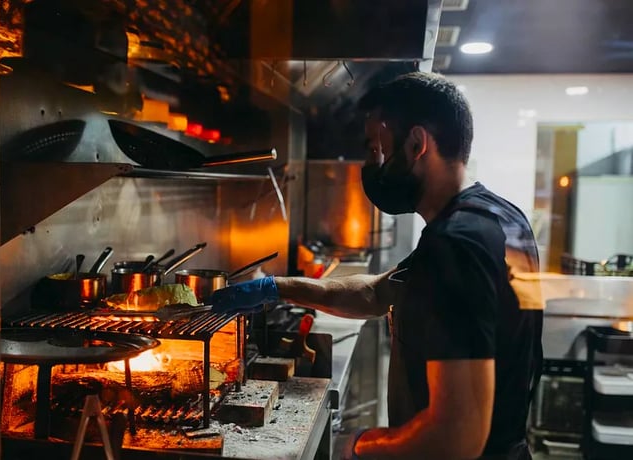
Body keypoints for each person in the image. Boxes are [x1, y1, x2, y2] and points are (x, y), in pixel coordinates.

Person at [211, 72, 543, 460]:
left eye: (374, 149)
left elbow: (456, 437)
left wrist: (356, 446)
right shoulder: (498, 217)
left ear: (417, 143)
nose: (371, 164)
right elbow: (376, 293)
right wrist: (277, 288)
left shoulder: (455, 243)